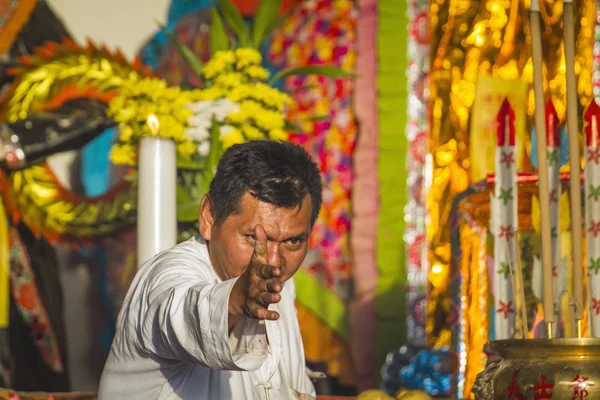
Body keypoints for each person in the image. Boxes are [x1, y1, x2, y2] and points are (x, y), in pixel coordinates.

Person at [98, 140, 322, 399]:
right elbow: (183, 312)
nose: (273, 262)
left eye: (293, 241)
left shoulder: (279, 285)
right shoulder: (166, 276)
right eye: (253, 238)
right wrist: (237, 301)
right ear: (209, 216)